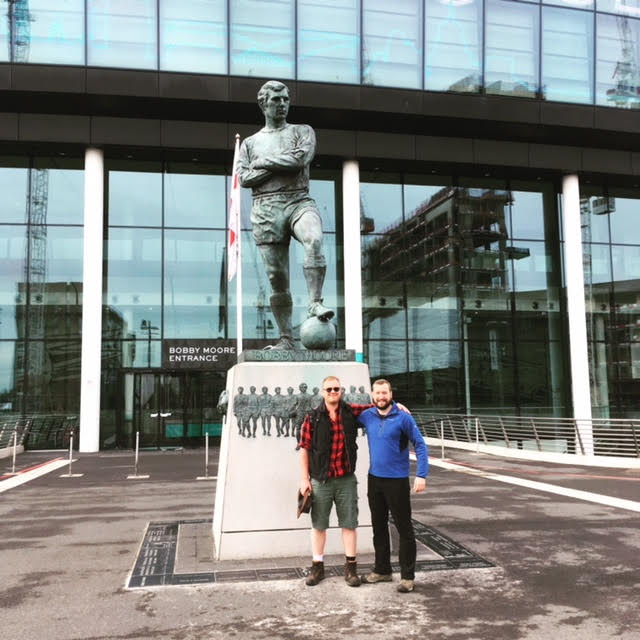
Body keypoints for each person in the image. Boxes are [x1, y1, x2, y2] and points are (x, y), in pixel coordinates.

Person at [237, 80, 333, 350]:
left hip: (298, 200)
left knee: (313, 239)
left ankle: (315, 302)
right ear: (263, 103)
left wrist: (265, 162)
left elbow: (300, 160)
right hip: (266, 208)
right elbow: (244, 177)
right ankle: (286, 338)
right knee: (276, 278)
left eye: (285, 99)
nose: (282, 104)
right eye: (276, 99)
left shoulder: (303, 131)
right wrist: (282, 163)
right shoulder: (250, 143)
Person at [357, 379, 429, 593]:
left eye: (384, 393)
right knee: (378, 527)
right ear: (372, 395)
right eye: (377, 393)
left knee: (404, 528)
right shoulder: (367, 416)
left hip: (397, 481)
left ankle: (407, 576)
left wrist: (422, 474)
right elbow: (346, 413)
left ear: (391, 393)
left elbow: (421, 445)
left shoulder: (403, 417)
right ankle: (382, 570)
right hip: (374, 479)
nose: (381, 397)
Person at [298, 376, 368, 587]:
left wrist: (396, 405)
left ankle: (351, 569)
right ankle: (317, 567)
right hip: (321, 481)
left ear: (341, 390)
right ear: (322, 392)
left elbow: (376, 408)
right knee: (319, 525)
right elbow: (304, 449)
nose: (332, 392)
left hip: (346, 479)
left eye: (336, 388)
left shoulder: (351, 412)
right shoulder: (312, 417)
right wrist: (304, 479)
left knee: (349, 524)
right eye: (328, 389)